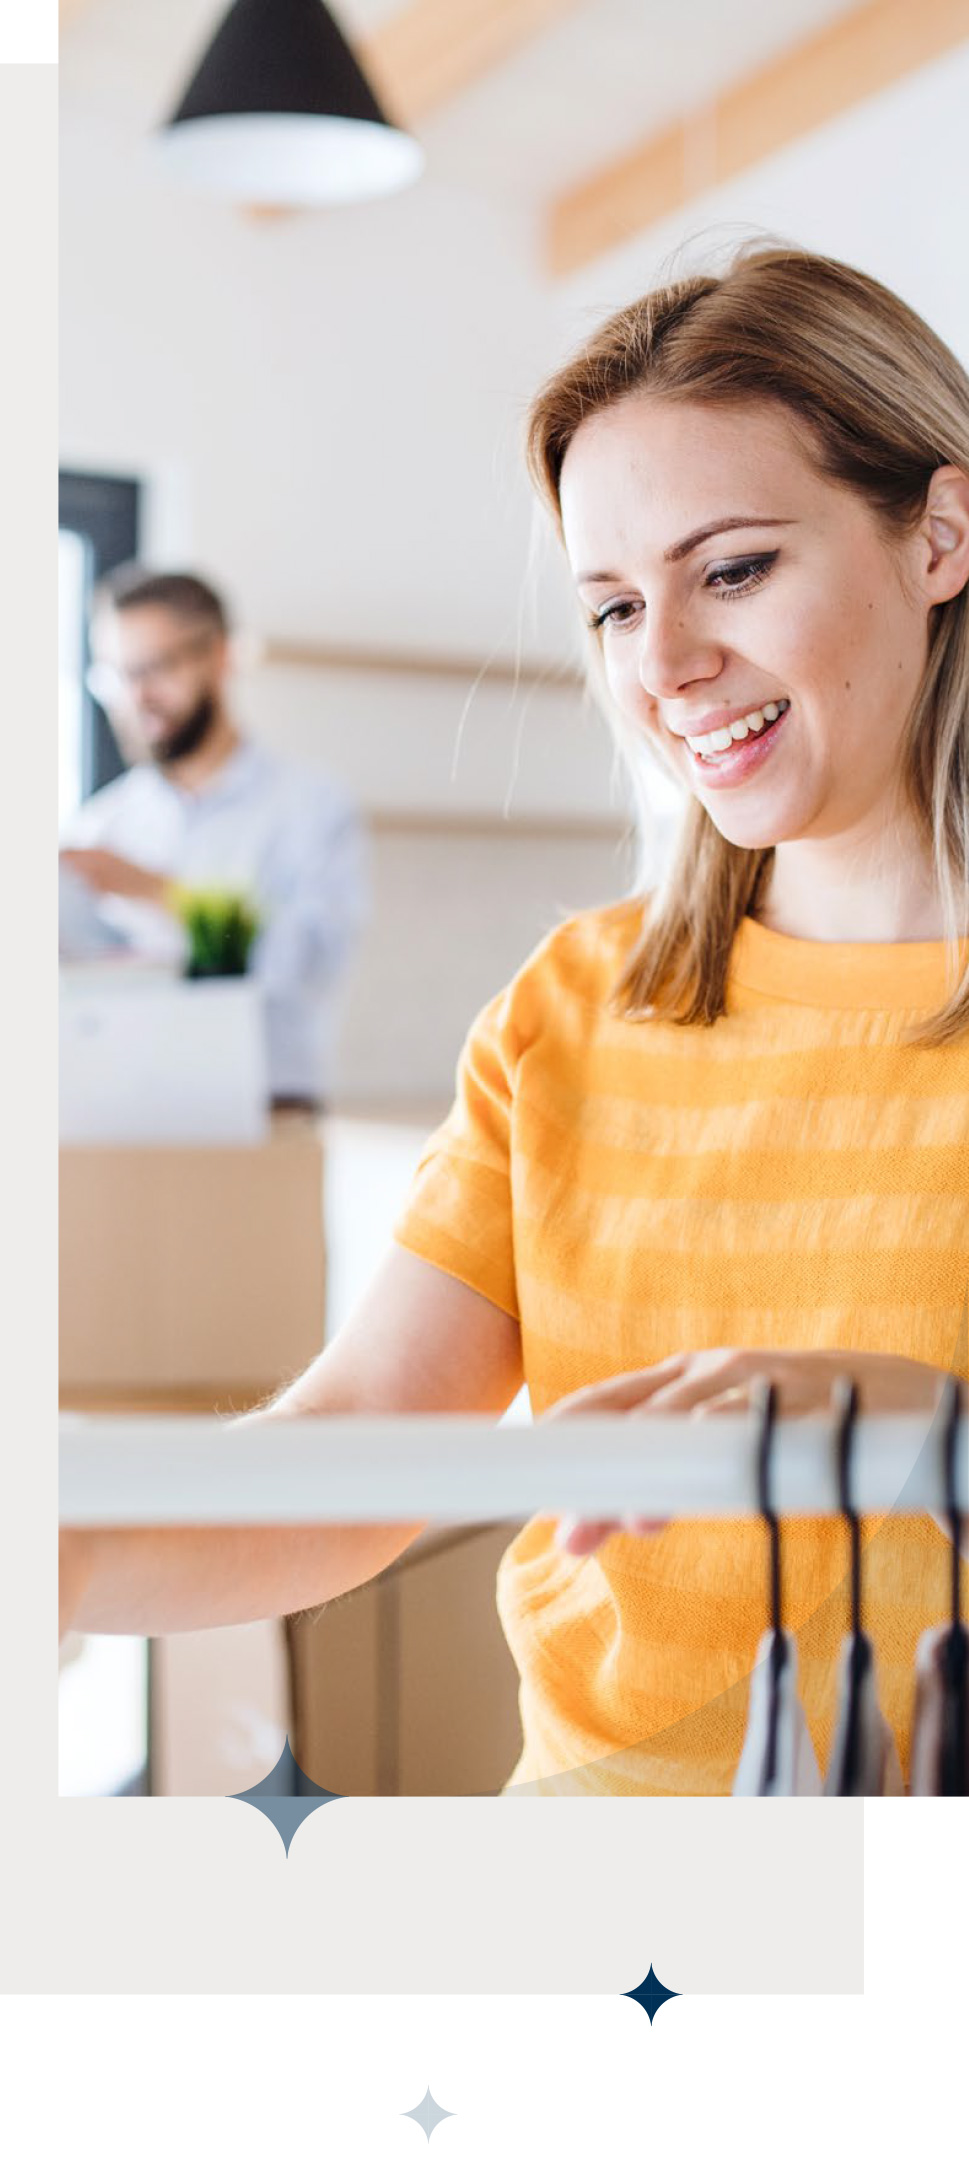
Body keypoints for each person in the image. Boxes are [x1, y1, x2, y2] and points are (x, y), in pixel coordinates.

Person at [60, 245, 969, 1797]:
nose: (665, 667)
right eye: (614, 604)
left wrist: (934, 1439)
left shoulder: (289, 816)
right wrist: (61, 1553)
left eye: (733, 569)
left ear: (939, 534)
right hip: (594, 1904)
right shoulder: (571, 1009)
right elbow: (363, 1447)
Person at [59, 568, 366, 1107]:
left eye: (155, 668)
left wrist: (164, 895)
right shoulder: (101, 825)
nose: (135, 697)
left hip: (270, 1109)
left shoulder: (311, 808)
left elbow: (310, 967)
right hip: (124, 1108)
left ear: (221, 656)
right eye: (114, 676)